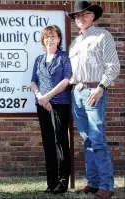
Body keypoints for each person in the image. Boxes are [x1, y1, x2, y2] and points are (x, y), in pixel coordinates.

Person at [67, 1, 120, 198]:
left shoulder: (102, 36)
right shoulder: (75, 43)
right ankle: (93, 182)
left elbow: (113, 66)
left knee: (97, 139)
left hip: (93, 91)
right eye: (77, 16)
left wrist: (101, 88)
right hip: (77, 93)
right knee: (87, 140)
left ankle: (106, 186)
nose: (80, 18)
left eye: (85, 14)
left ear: (93, 16)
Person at [31, 25, 72, 194]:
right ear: (43, 40)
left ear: (59, 39)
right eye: (47, 37)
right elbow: (33, 82)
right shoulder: (39, 60)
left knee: (61, 142)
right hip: (42, 105)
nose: (50, 39)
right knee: (48, 143)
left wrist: (48, 96)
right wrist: (41, 96)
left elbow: (66, 79)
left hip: (60, 104)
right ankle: (51, 182)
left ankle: (62, 183)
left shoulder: (63, 57)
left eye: (53, 36)